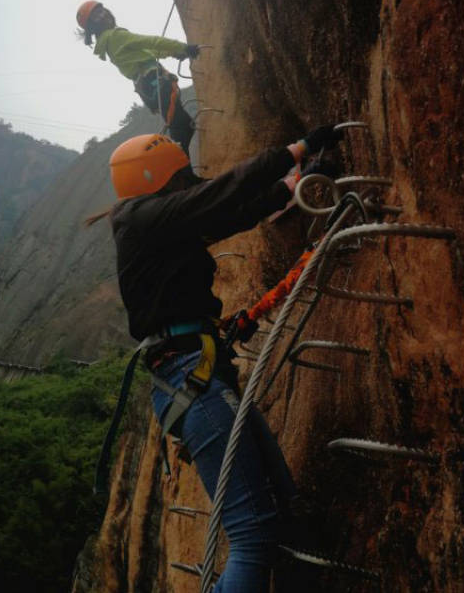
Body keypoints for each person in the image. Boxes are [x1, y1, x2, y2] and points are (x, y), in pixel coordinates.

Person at [106, 124, 343, 592]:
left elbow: (228, 216)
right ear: (155, 182)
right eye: (179, 177)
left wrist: (291, 186)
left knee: (284, 506)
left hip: (198, 376)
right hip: (192, 383)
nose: (188, 182)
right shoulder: (139, 219)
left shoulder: (160, 230)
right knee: (253, 537)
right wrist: (295, 150)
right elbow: (219, 194)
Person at [76, 0, 200, 154]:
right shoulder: (115, 36)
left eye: (101, 11)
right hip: (156, 83)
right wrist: (184, 47)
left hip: (150, 88)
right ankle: (182, 174)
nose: (103, 15)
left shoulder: (107, 43)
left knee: (184, 125)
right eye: (96, 16)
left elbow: (148, 53)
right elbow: (150, 42)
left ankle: (184, 173)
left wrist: (174, 53)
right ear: (92, 27)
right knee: (181, 129)